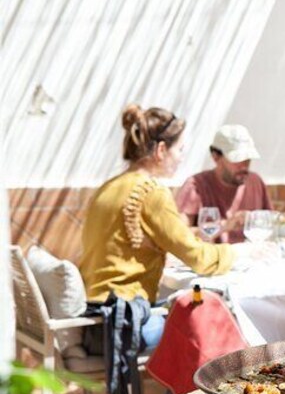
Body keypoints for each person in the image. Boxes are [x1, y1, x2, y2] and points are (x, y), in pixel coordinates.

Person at [80, 104, 236, 350]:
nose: (182, 157)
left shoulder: (107, 188)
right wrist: (240, 252)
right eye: (181, 149)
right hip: (122, 326)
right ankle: (197, 390)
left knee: (189, 311)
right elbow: (199, 258)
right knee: (211, 322)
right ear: (162, 150)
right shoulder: (151, 192)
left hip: (93, 319)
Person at [175, 124, 272, 243]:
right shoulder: (196, 186)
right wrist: (225, 225)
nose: (244, 165)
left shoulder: (255, 181)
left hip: (252, 258)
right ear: (215, 157)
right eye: (237, 159)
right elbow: (177, 235)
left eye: (248, 158)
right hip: (212, 259)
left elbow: (270, 224)